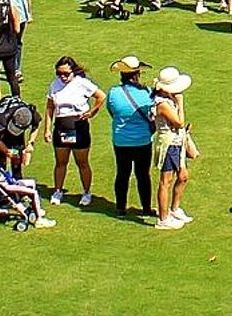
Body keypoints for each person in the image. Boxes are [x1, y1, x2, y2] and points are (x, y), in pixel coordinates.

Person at [43, 54, 104, 207]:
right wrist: (47, 129)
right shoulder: (54, 85)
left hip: (78, 126)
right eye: (59, 73)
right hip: (61, 126)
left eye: (66, 73)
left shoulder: (82, 83)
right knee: (60, 162)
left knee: (82, 162)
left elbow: (101, 96)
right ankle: (58, 190)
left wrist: (92, 112)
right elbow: (50, 107)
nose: (62, 77)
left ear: (73, 71)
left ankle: (86, 192)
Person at [104, 56, 156, 217]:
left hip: (121, 141)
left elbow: (112, 112)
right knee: (143, 175)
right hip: (143, 140)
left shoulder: (113, 93)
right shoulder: (147, 93)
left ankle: (120, 208)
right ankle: (146, 208)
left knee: (122, 174)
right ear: (137, 74)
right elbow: (152, 115)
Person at [151, 66, 197, 229]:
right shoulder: (162, 104)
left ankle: (174, 209)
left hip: (177, 141)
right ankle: (163, 219)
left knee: (183, 176)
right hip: (169, 143)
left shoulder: (166, 99)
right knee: (166, 181)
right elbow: (178, 122)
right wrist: (180, 104)